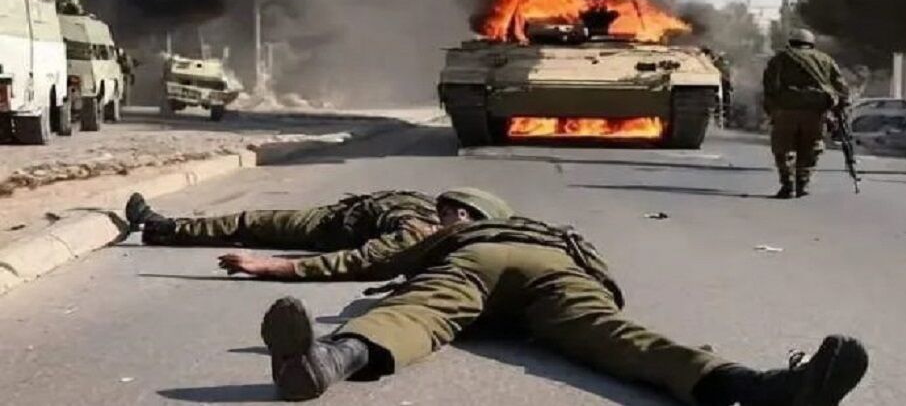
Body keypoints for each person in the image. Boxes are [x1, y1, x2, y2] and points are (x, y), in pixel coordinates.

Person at [257, 216, 869, 404]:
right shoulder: (559, 233)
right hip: (559, 273)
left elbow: (373, 260)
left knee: (417, 312)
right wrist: (588, 302)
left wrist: (286, 267)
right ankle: (758, 388)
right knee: (622, 337)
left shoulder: (462, 230)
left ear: (466, 213)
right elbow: (607, 288)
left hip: (475, 264)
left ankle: (328, 360)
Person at [124, 187, 513, 278]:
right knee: (252, 225)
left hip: (329, 229)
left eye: (460, 213)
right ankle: (162, 229)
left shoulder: (418, 235)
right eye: (452, 208)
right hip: (342, 213)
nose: (451, 212)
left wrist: (272, 266)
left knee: (251, 224)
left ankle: (159, 227)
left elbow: (357, 260)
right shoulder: (432, 216)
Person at [762, 29, 849, 199]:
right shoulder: (825, 59)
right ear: (811, 43)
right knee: (811, 147)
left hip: (787, 110)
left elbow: (769, 86)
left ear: (791, 42)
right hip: (816, 112)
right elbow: (840, 86)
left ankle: (788, 184)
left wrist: (771, 110)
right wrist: (841, 107)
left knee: (784, 148)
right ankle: (802, 182)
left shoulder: (780, 58)